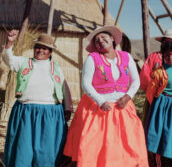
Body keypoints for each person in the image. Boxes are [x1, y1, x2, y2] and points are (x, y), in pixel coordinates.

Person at [63, 25, 149, 167]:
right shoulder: (93, 58)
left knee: (127, 144)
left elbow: (136, 81)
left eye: (104, 37)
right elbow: (86, 84)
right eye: (97, 40)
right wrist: (101, 101)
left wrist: (127, 97)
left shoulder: (126, 57)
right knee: (98, 145)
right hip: (99, 109)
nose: (101, 41)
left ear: (112, 39)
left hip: (123, 108)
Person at [2, 29, 73, 167]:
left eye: (45, 48)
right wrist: (10, 42)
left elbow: (64, 87)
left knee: (47, 149)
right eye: (38, 47)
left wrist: (67, 108)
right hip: (26, 111)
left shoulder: (56, 68)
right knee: (24, 147)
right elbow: (8, 59)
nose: (40, 50)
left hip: (50, 113)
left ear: (50, 52)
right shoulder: (23, 62)